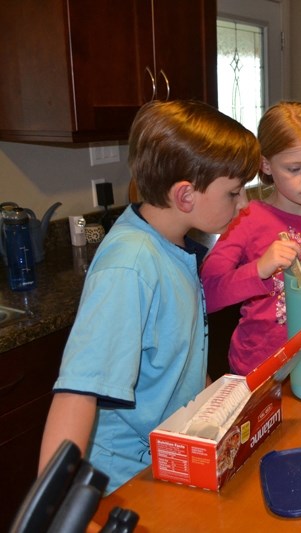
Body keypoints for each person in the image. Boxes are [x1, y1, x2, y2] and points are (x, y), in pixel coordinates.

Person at [39, 100, 260, 493]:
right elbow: (77, 393)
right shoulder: (130, 268)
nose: (243, 204)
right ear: (186, 196)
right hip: (122, 482)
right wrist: (54, 506)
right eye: (234, 192)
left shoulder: (175, 246)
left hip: (169, 462)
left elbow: (182, 362)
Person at [201, 101, 301, 375]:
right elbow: (207, 293)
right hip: (257, 369)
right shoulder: (247, 218)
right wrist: (258, 269)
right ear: (266, 165)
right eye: (295, 169)